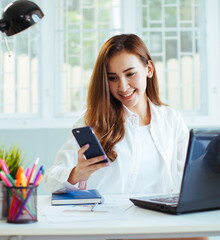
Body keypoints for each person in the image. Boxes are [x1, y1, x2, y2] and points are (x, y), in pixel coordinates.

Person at [44, 34, 208, 240]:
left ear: (149, 69)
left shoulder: (170, 119)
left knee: (200, 237)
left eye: (130, 74)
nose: (122, 86)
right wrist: (76, 174)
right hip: (108, 227)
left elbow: (190, 174)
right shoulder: (92, 122)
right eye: (112, 78)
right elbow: (51, 179)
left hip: (156, 224)